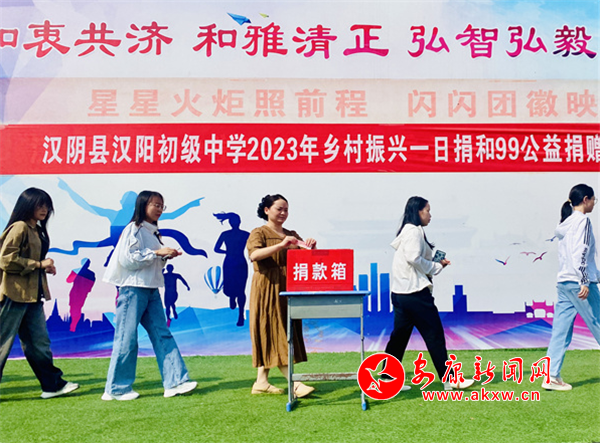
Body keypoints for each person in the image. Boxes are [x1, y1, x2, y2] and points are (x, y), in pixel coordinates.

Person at [102, 191, 197, 401]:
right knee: (126, 338)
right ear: (143, 205)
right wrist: (156, 253)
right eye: (155, 205)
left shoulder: (152, 232)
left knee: (162, 334)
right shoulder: (134, 228)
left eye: (162, 206)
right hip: (132, 288)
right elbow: (128, 259)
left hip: (151, 288)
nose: (159, 209)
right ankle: (116, 388)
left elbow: (148, 261)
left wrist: (165, 255)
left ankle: (175, 382)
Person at [384, 196, 474, 391]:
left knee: (399, 338)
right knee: (434, 336)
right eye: (427, 210)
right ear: (418, 211)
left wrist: (434, 265)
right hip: (416, 294)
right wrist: (436, 266)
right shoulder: (414, 231)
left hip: (400, 294)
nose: (430, 215)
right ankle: (451, 379)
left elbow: (413, 259)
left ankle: (387, 380)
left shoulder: (407, 230)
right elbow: (413, 258)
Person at [0, 187, 79, 399]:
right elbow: (5, 260)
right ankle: (53, 385)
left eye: (46, 206)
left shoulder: (36, 229)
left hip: (32, 295)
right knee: (2, 343)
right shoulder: (20, 227)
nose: (44, 210)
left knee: (39, 343)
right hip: (13, 294)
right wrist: (38, 264)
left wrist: (43, 266)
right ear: (27, 206)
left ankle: (52, 385)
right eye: (39, 205)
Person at [246, 194, 315, 397]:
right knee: (275, 331)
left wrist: (311, 248)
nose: (283, 213)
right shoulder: (259, 232)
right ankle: (294, 383)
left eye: (286, 209)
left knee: (277, 331)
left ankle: (261, 382)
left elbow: (305, 260)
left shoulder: (291, 234)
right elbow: (254, 255)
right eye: (279, 209)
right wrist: (280, 245)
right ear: (267, 210)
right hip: (267, 287)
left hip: (288, 289)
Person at [544, 184, 599, 391]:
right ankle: (551, 376)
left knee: (560, 332)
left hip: (564, 283)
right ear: (585, 200)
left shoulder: (565, 224)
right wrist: (585, 280)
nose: (594, 203)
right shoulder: (583, 221)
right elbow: (580, 253)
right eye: (593, 199)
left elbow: (571, 257)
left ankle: (551, 376)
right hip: (579, 283)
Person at [213, 212, 250, 327]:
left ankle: (240, 314)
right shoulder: (245, 234)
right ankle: (234, 299)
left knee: (239, 288)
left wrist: (227, 252)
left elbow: (216, 249)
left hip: (231, 261)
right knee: (239, 288)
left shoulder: (226, 234)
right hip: (238, 261)